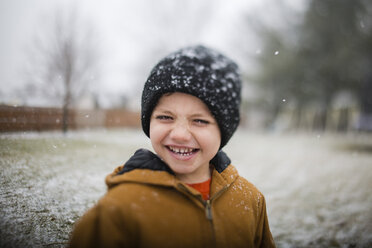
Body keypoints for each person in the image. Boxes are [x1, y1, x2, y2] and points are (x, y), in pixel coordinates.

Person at [69, 45, 276, 248]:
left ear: (223, 131)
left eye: (200, 121)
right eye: (165, 117)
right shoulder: (117, 212)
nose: (179, 134)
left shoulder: (250, 200)